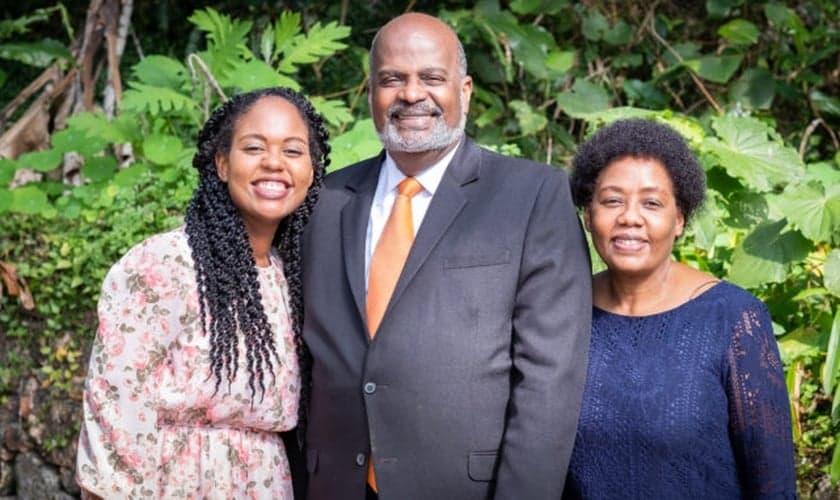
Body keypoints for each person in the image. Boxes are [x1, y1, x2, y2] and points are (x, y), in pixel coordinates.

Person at [300, 12, 592, 500]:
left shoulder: (532, 195)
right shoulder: (325, 201)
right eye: (392, 79)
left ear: (466, 90)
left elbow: (549, 380)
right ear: (370, 91)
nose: (412, 94)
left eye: (432, 78)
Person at [75, 87, 329, 499]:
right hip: (174, 482)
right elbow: (115, 404)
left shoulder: (293, 278)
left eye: (293, 151)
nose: (274, 163)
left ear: (312, 171)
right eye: (254, 147)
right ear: (223, 164)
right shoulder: (164, 265)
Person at [564, 119, 797, 498]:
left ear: (679, 219)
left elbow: (774, 484)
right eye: (612, 200)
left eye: (652, 203)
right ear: (588, 216)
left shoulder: (734, 319)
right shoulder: (560, 313)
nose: (630, 218)